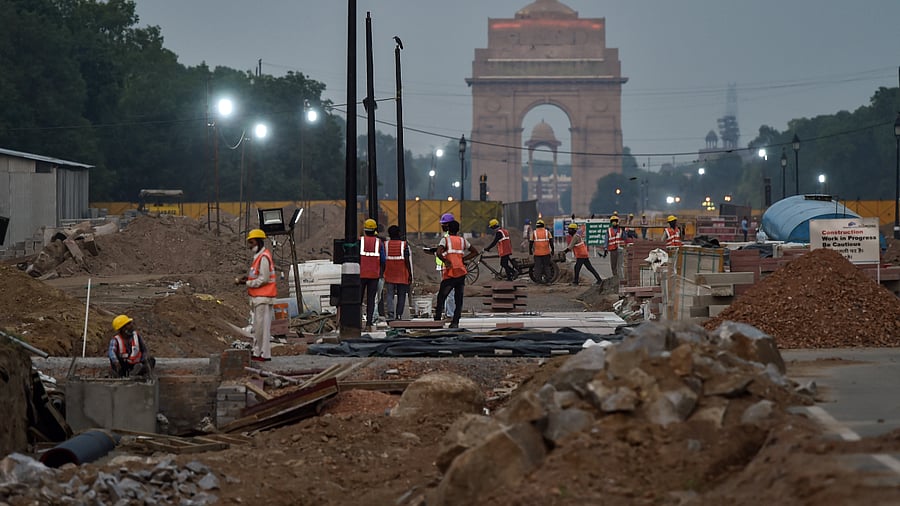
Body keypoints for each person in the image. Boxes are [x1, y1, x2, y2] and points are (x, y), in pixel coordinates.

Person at [236, 228, 276, 362]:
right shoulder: (259, 257)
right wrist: (247, 279)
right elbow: (257, 276)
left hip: (263, 298)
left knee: (261, 328)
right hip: (259, 298)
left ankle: (262, 353)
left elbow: (264, 279)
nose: (250, 245)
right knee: (259, 327)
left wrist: (247, 283)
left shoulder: (263, 257)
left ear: (258, 242)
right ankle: (259, 352)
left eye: (252, 242)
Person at [434, 220, 478, 328]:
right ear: (458, 230)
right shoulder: (463, 241)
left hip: (450, 273)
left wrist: (445, 261)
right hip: (461, 272)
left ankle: (437, 320)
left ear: (448, 229)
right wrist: (463, 259)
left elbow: (438, 252)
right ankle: (455, 322)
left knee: (441, 297)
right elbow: (475, 252)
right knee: (458, 299)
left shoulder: (445, 240)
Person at [359, 218, 386, 331]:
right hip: (374, 275)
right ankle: (369, 323)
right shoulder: (379, 243)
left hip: (361, 274)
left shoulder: (360, 241)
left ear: (364, 230)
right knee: (371, 299)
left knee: (358, 299)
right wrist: (381, 272)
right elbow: (383, 260)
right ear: (375, 230)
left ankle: (357, 322)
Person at [383, 224, 412, 320]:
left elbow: (383, 259)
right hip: (402, 273)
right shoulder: (404, 245)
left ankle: (390, 314)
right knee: (401, 295)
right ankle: (399, 314)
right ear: (399, 233)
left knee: (390, 294)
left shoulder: (386, 244)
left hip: (389, 272)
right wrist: (410, 274)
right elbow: (407, 260)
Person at [529, 219, 555, 284]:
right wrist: (552, 250)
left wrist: (530, 251)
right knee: (547, 266)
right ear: (543, 225)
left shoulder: (534, 233)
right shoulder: (547, 232)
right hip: (546, 253)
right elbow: (551, 242)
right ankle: (548, 280)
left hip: (537, 254)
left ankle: (538, 280)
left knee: (537, 267)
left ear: (536, 226)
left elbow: (531, 243)